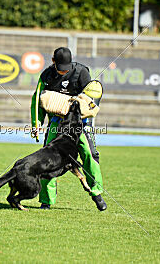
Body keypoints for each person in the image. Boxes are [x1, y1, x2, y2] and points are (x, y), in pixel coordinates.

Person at [30, 47, 107, 211]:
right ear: (53, 62)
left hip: (80, 124)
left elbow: (92, 97)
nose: (64, 73)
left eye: (66, 69)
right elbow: (37, 99)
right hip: (56, 123)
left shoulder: (82, 72)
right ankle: (46, 200)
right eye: (60, 69)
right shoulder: (46, 75)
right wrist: (36, 124)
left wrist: (85, 106)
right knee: (46, 158)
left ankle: (96, 192)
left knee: (90, 155)